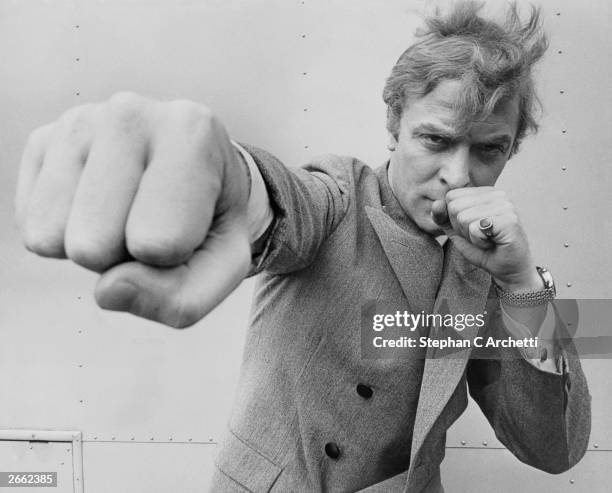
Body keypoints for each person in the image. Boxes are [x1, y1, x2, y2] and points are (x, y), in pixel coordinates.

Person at [15, 1, 590, 491]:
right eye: (435, 140)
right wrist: (227, 177)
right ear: (394, 125)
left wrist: (523, 287)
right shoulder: (338, 195)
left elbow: (555, 450)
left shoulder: (494, 269)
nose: (458, 175)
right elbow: (282, 202)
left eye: (488, 150)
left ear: (510, 150)